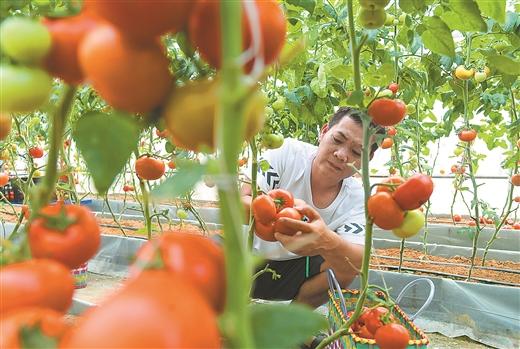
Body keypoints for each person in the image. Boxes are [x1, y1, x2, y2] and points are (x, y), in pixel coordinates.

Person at [241, 106, 384, 309]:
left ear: (366, 161)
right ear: (324, 132)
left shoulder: (357, 199)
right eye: (337, 139)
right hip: (240, 256)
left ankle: (294, 327)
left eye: (355, 152)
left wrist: (324, 240)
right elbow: (241, 200)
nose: (342, 155)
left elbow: (358, 260)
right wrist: (280, 221)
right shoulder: (287, 152)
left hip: (292, 272)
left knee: (344, 267)